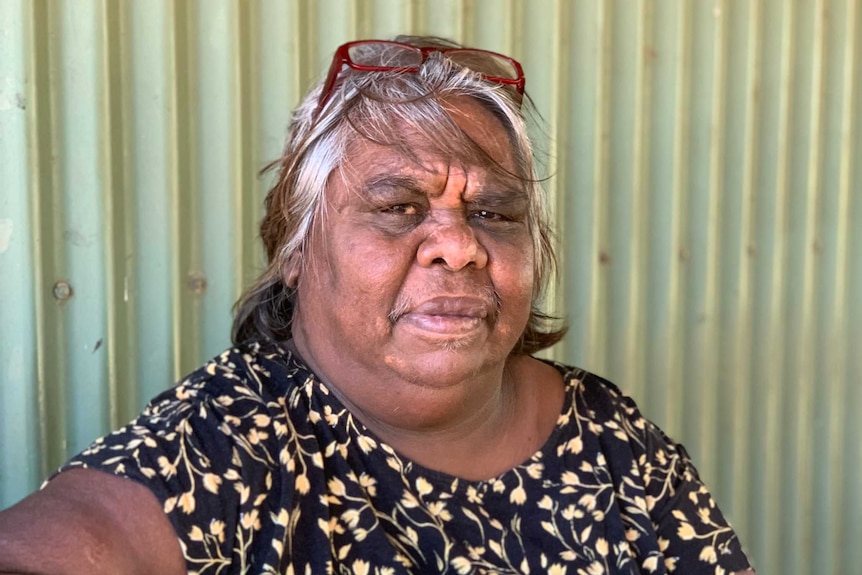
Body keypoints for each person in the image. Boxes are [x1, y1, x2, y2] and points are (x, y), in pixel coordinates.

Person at [0, 36, 755, 575]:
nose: (457, 247)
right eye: (397, 207)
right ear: (296, 249)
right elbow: (81, 537)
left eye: (494, 214)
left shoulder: (606, 434)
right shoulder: (227, 447)